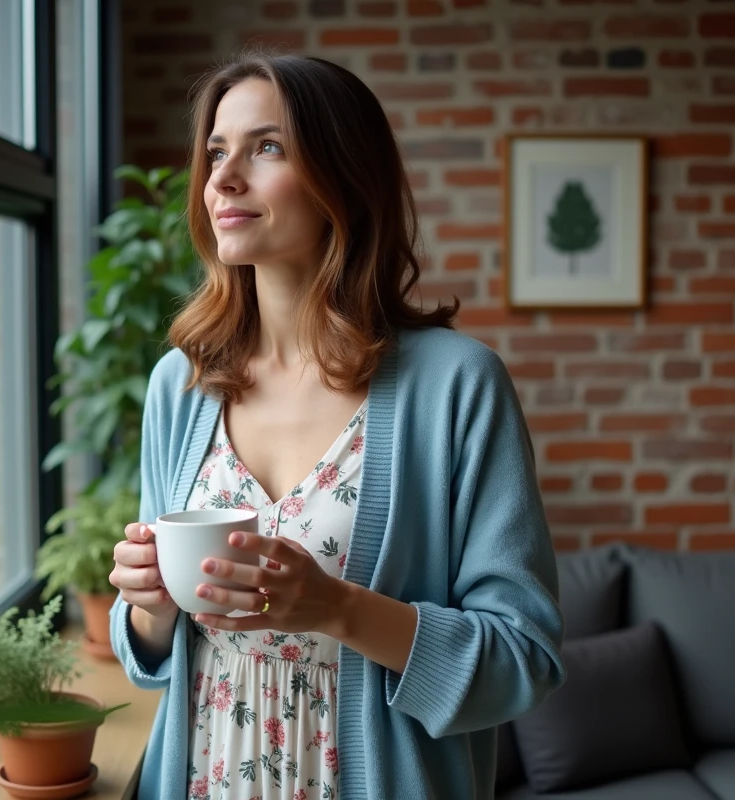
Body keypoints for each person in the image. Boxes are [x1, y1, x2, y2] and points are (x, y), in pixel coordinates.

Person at [108, 51, 565, 800]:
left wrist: (337, 608)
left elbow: (523, 658)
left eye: (267, 147)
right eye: (217, 152)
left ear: (344, 178)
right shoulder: (182, 385)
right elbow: (155, 652)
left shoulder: (457, 386)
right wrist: (149, 605)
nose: (223, 179)